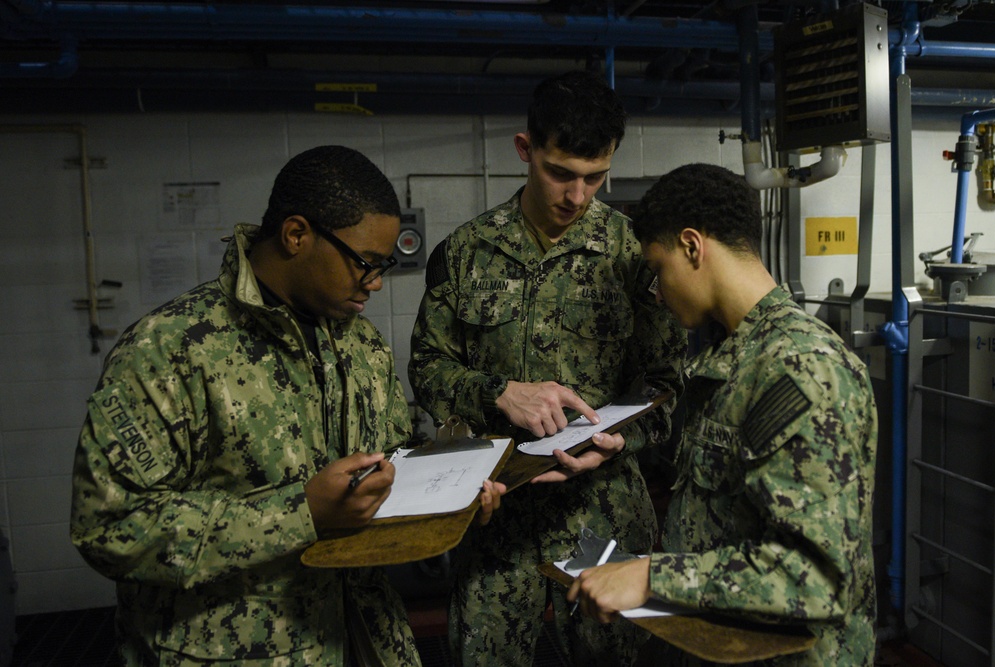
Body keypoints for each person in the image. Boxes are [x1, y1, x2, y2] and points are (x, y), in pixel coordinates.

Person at [70, 145, 503, 666]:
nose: (377, 281)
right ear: (297, 235)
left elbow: (388, 464)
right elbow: (110, 529)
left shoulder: (359, 344)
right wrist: (301, 513)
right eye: (365, 263)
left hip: (365, 640)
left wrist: (447, 498)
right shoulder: (171, 349)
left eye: (384, 264)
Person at [409, 70, 687, 666]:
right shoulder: (464, 254)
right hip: (494, 513)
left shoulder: (633, 254)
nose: (577, 196)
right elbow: (427, 369)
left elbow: (667, 384)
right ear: (524, 150)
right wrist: (496, 392)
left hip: (604, 512)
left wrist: (620, 441)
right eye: (560, 173)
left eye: (595, 177)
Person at [567, 163, 878, 666]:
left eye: (659, 270)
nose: (659, 293)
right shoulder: (736, 359)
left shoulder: (800, 369)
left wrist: (651, 576)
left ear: (692, 246)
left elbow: (813, 579)